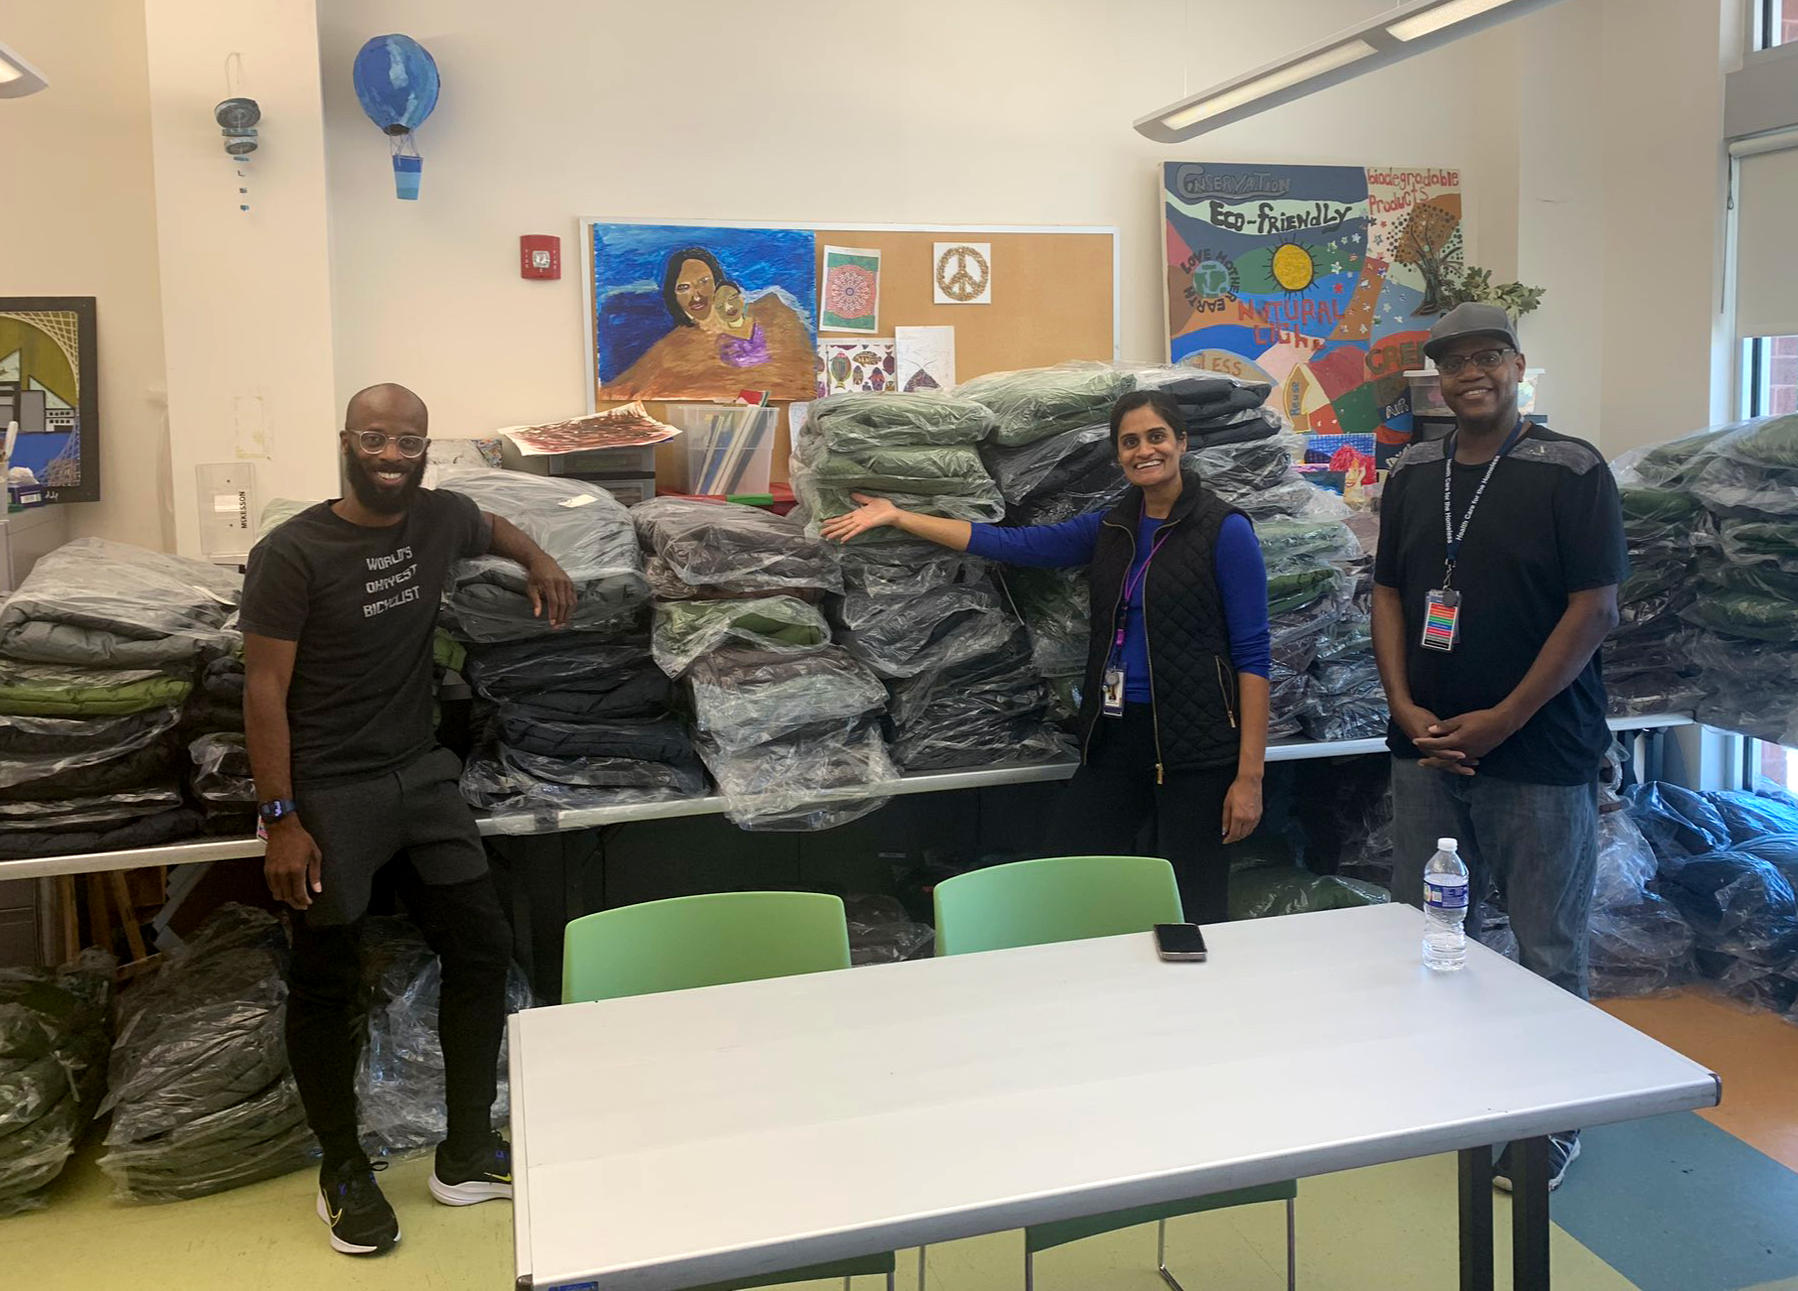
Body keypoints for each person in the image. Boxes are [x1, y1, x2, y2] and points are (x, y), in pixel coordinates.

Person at [240, 384, 577, 1257]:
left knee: (482, 946)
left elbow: (491, 524)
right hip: (330, 788)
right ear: (346, 441)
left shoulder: (438, 517)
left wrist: (539, 555)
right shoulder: (292, 551)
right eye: (376, 439)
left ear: (427, 449)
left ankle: (464, 1151)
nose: (392, 455)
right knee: (327, 980)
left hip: (421, 774)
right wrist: (280, 817)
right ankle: (343, 1168)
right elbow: (263, 689)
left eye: (409, 442)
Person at [821, 389, 1270, 923]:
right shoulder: (1111, 527)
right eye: (1130, 442)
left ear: (1182, 442)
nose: (1145, 450)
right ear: (1118, 453)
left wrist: (1249, 778)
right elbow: (1015, 544)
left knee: (1194, 900)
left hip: (1197, 743)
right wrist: (900, 517)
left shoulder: (1224, 530)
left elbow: (1253, 655)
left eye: (1157, 437)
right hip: (1116, 732)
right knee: (1067, 873)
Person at [1371, 302, 1626, 1193]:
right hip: (1427, 748)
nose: (1470, 373)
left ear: (1518, 365)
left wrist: (1507, 716)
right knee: (1432, 933)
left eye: (1487, 356)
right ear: (1436, 379)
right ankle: (1452, 1092)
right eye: (1453, 362)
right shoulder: (1413, 473)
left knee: (1547, 946)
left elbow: (1595, 608)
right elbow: (1390, 594)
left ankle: (1551, 1119)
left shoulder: (1573, 469)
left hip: (1538, 753)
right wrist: (1402, 705)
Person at [606, 245, 814, 398]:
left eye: (703, 282)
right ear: (673, 296)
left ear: (718, 281)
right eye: (683, 288)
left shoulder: (773, 309)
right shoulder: (671, 349)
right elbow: (622, 389)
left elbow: (806, 369)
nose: (696, 296)